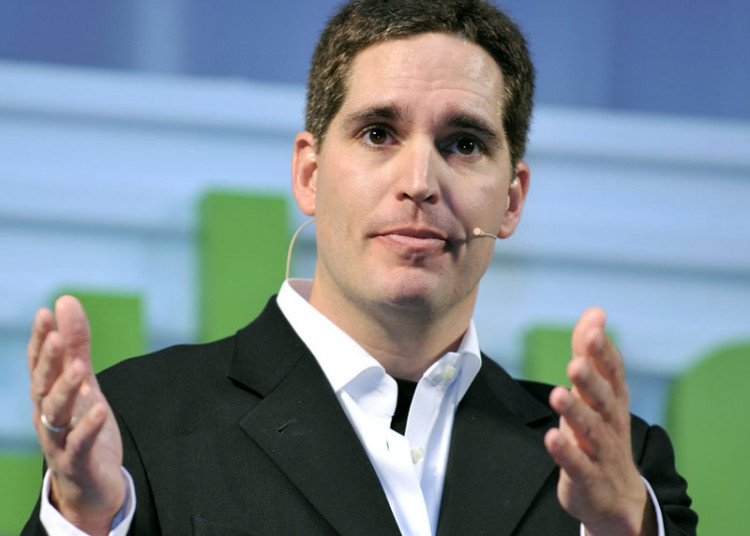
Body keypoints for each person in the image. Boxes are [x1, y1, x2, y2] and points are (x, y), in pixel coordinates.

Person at [22, 1, 697, 535]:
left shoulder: (616, 472)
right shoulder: (142, 422)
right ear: (309, 175)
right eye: (379, 134)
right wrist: (85, 522)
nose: (420, 182)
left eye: (463, 144)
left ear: (512, 199)